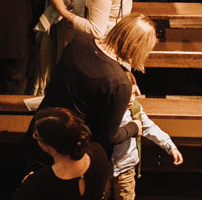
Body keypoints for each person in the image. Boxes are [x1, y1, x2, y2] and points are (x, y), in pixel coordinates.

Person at [37, 13, 157, 157]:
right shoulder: (120, 84)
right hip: (71, 151)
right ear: (137, 47)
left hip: (41, 130)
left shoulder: (79, 40)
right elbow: (108, 137)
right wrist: (133, 127)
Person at [111, 83, 182, 200]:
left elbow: (150, 128)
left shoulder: (134, 109)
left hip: (125, 167)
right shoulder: (107, 109)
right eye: (127, 94)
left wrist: (171, 147)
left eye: (134, 93)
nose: (131, 98)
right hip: (104, 166)